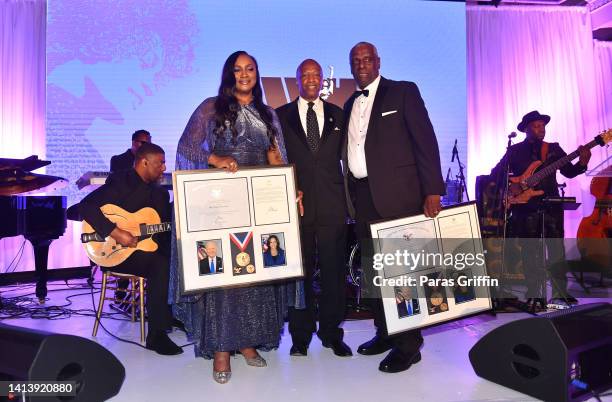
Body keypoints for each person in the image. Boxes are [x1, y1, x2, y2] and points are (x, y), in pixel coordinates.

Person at [169, 50, 304, 384]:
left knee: (252, 272)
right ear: (229, 74)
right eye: (238, 69)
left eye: (250, 69)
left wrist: (289, 189)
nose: (244, 74)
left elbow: (276, 158)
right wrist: (214, 158)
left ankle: (246, 343)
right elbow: (186, 148)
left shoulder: (267, 113)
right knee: (224, 277)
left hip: (256, 204)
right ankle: (220, 349)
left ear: (257, 73)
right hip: (220, 203)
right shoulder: (210, 108)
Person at [342, 42, 445, 373]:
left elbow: (425, 141)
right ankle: (385, 333)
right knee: (374, 272)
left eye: (367, 59)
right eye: (356, 61)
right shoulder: (348, 103)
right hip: (363, 198)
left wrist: (432, 190)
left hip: (399, 198)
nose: (361, 65)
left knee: (402, 273)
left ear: (378, 62)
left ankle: (409, 344)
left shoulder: (403, 92)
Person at [276, 59, 352, 358]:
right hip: (298, 206)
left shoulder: (338, 114)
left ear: (323, 80)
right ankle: (300, 336)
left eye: (316, 74)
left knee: (334, 272)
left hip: (333, 205)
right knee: (300, 273)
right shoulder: (280, 116)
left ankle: (332, 333)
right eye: (305, 74)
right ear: (296, 79)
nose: (311, 79)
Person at [79, 142, 182, 356]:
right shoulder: (120, 182)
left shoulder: (160, 194)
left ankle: (174, 315)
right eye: (160, 163)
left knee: (178, 257)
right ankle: (156, 335)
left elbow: (162, 229)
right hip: (115, 251)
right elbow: (85, 206)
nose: (164, 168)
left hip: (145, 249)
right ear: (144, 162)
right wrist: (117, 232)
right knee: (160, 265)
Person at [490, 110, 590, 308]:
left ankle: (561, 292)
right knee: (530, 251)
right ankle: (534, 292)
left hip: (551, 204)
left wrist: (583, 162)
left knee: (556, 249)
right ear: (526, 129)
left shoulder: (553, 149)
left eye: (543, 126)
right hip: (525, 208)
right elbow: (496, 174)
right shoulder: (515, 151)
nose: (541, 129)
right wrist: (512, 188)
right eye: (536, 126)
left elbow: (569, 172)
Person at [109, 129, 152, 309]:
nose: (146, 146)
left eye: (148, 143)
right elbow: (119, 183)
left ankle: (146, 291)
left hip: (142, 211)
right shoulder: (118, 160)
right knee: (124, 247)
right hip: (123, 212)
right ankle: (121, 289)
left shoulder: (149, 160)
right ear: (134, 143)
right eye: (143, 143)